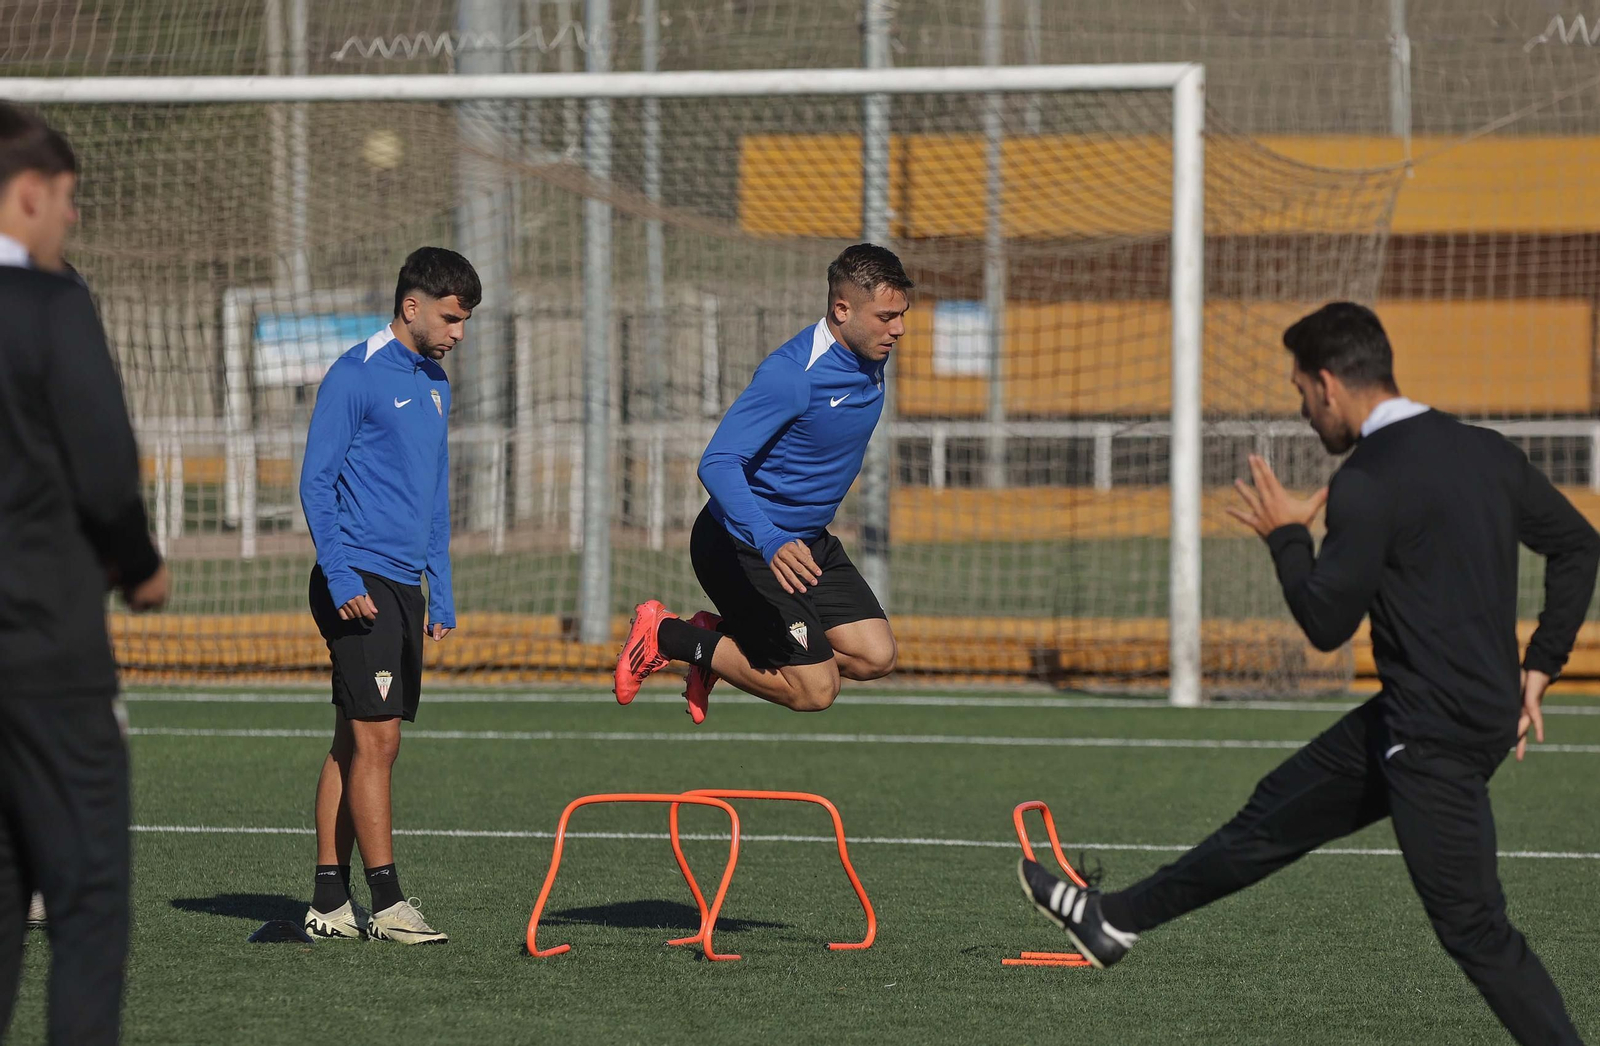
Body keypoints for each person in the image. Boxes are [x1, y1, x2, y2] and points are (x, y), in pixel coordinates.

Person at [1017, 302, 1596, 1046]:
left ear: (1327, 384)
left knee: (1476, 929)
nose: (1302, 411)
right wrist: (1540, 667)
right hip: (1434, 715)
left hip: (1432, 738)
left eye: (1299, 392)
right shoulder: (1485, 450)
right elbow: (1580, 548)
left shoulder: (1368, 479)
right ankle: (1114, 922)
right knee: (1273, 814)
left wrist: (1287, 534)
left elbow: (1325, 625)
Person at [0, 101, 169, 1045]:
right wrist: (140, 568)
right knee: (88, 903)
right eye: (66, 201)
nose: (71, 220)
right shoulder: (51, 303)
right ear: (29, 192)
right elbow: (105, 467)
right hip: (45, 652)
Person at [612, 243, 910, 723]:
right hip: (744, 544)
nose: (897, 328)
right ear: (842, 309)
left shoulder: (871, 354)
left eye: (902, 315)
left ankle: (720, 638)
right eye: (886, 316)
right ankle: (668, 636)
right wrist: (769, 539)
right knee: (815, 690)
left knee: (875, 656)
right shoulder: (791, 375)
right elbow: (717, 463)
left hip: (806, 542)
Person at [298, 246, 478, 945]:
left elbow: (433, 494)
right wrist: (341, 579)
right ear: (412, 307)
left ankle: (327, 904)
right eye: (451, 317)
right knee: (379, 742)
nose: (458, 332)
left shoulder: (435, 382)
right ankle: (390, 903)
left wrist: (441, 588)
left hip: (403, 586)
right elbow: (316, 482)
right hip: (357, 582)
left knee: (355, 742)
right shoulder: (354, 375)